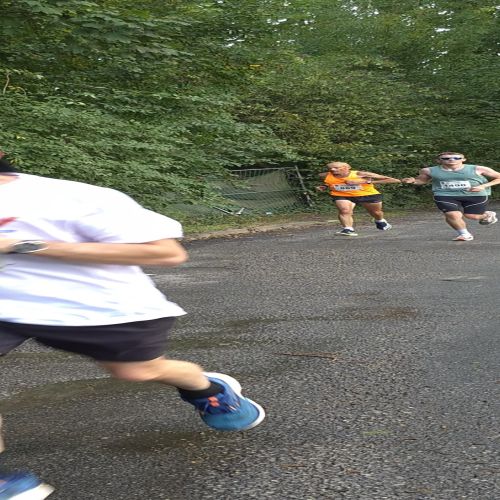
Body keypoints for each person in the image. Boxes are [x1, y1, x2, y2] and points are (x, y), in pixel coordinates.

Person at [0, 165, 265, 499]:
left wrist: (21, 245)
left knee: (137, 371)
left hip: (98, 307)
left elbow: (165, 252)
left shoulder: (68, 196)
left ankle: (208, 389)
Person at [402, 152, 500, 241]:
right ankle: (464, 234)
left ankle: (487, 215)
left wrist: (483, 186)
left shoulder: (478, 169)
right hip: (445, 195)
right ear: (438, 160)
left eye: (456, 158)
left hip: (475, 195)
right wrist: (413, 181)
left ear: (463, 159)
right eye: (446, 158)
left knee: (472, 216)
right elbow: (422, 180)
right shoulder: (428, 170)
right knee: (452, 214)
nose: (451, 160)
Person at [316, 161, 401, 236]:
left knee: (376, 212)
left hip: (367, 194)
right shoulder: (326, 175)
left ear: (347, 168)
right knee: (344, 210)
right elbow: (330, 182)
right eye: (330, 168)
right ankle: (348, 229)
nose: (332, 169)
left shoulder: (360, 174)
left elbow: (392, 180)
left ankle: (380, 220)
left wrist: (365, 181)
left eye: (336, 168)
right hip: (342, 195)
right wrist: (324, 186)